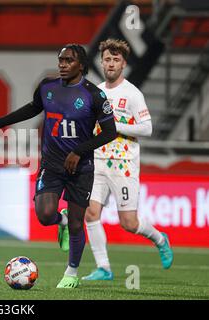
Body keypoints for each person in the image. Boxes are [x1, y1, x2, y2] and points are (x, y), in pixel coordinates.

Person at [0, 44, 117, 288]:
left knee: (76, 222)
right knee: (44, 215)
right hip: (51, 163)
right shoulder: (47, 87)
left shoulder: (94, 95)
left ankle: (71, 273)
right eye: (60, 60)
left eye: (68, 60)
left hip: (81, 168)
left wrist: (79, 151)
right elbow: (32, 108)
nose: (62, 64)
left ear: (80, 65)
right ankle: (60, 223)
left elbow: (110, 132)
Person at [80, 39, 173, 281]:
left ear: (124, 64)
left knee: (129, 223)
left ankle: (160, 239)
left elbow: (147, 128)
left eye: (116, 60)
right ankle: (104, 268)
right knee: (90, 214)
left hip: (123, 165)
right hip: (98, 161)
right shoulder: (96, 92)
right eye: (107, 59)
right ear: (101, 62)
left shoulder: (132, 94)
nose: (111, 64)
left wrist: (115, 125)